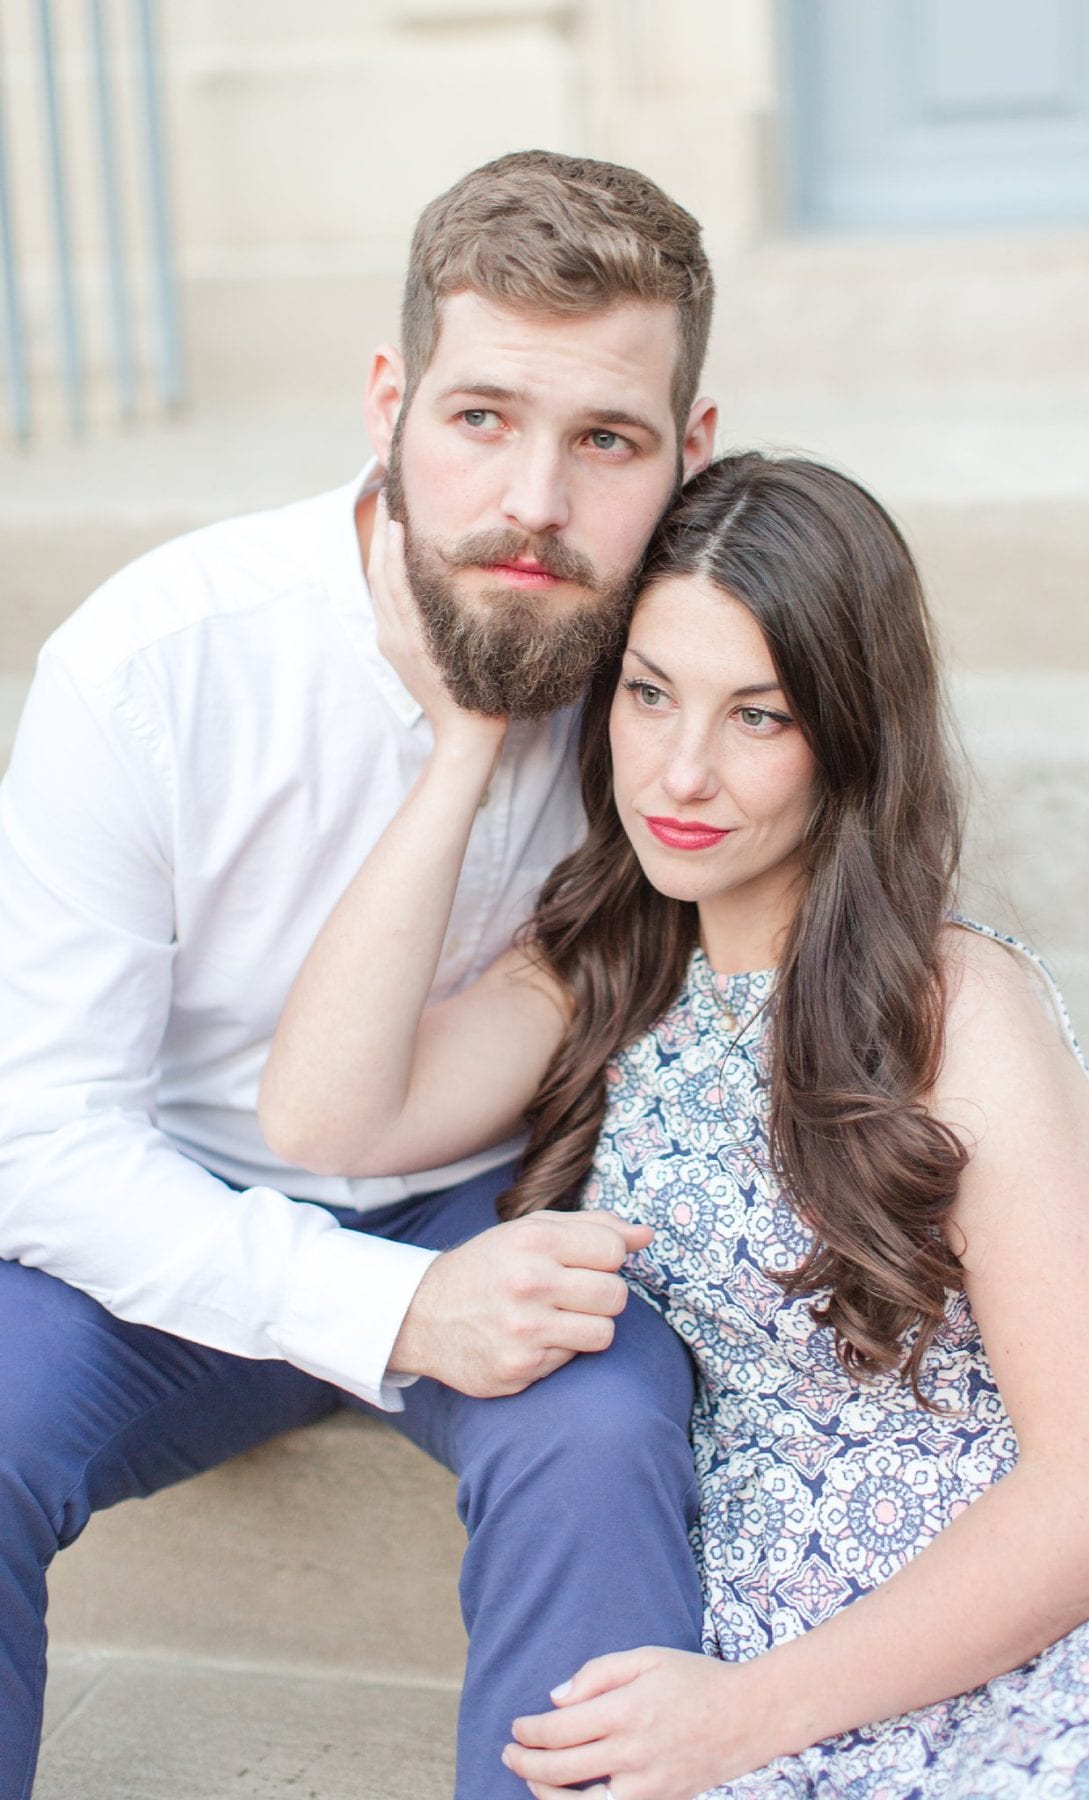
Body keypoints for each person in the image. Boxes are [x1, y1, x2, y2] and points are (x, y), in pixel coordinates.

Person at [262, 453, 1089, 1799]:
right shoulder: (601, 966)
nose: (682, 774)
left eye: (757, 717)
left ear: (850, 732)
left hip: (1012, 1613)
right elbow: (323, 1116)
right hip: (752, 1612)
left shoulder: (952, 1012)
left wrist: (748, 1715)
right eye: (650, 695)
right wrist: (470, 738)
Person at [0, 149, 720, 1800]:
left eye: (602, 438)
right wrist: (388, 1308)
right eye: (482, 418)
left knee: (611, 1432)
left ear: (684, 452)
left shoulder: (680, 663)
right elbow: (41, 1141)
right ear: (389, 402)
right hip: (151, 1216)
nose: (534, 499)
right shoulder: (154, 663)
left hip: (494, 1196)